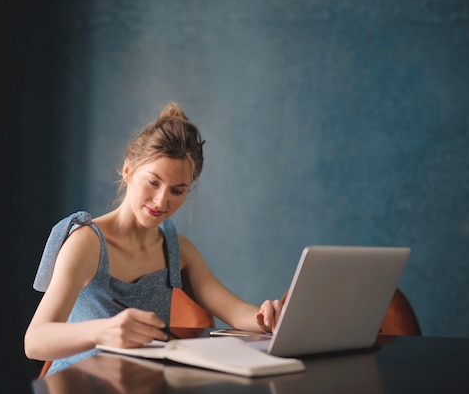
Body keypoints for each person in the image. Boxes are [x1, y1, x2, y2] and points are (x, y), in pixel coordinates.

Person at [24, 103, 285, 374]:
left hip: (140, 393)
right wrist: (104, 331)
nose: (161, 201)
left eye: (177, 190)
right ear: (127, 171)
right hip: (78, 392)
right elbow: (34, 342)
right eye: (153, 182)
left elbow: (235, 312)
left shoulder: (178, 250)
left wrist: (268, 318)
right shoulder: (86, 243)